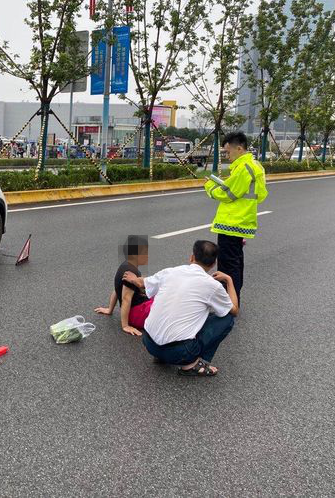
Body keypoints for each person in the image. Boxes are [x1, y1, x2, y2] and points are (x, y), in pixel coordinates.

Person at [123, 240, 239, 377]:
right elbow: (234, 310)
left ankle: (161, 356)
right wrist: (229, 280)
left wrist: (133, 279)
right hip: (180, 353)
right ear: (213, 264)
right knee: (227, 318)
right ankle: (194, 365)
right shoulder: (213, 285)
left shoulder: (170, 272)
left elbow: (142, 283)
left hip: (149, 344)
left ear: (192, 257)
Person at [204, 131, 267, 304]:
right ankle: (233, 298)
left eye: (227, 152)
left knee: (227, 266)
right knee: (236, 262)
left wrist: (209, 187)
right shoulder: (256, 166)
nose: (227, 156)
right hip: (242, 221)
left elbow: (229, 194)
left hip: (231, 222)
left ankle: (229, 303)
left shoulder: (243, 168)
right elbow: (260, 195)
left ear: (239, 148)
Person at [94, 235, 153, 337]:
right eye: (145, 253)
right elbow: (126, 299)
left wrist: (109, 309)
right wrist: (125, 326)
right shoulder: (131, 272)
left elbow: (117, 290)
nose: (148, 256)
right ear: (135, 255)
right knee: (164, 301)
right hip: (136, 314)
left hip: (136, 309)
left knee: (157, 292)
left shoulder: (124, 266)